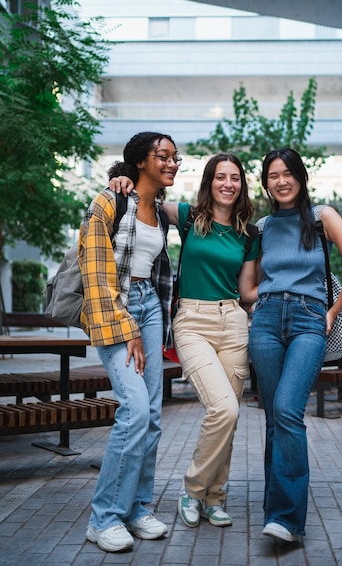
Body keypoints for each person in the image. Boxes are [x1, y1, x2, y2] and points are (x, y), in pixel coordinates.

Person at [110, 153, 259, 529]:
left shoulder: (249, 233)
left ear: (242, 185)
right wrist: (122, 180)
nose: (228, 184)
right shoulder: (190, 217)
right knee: (223, 408)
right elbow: (147, 199)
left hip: (234, 322)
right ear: (210, 181)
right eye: (221, 177)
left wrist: (285, 286)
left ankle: (214, 498)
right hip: (192, 321)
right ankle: (193, 489)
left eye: (235, 178)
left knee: (230, 416)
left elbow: (246, 290)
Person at [242, 148, 342, 543]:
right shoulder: (261, 227)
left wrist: (331, 312)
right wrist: (274, 291)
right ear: (265, 182)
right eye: (272, 176)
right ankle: (275, 512)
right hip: (264, 321)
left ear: (300, 176)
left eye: (287, 173)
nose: (280, 181)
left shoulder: (321, 217)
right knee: (272, 419)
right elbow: (247, 290)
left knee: (286, 410)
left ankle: (288, 520)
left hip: (309, 321)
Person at [79, 131, 181, 553]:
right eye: (164, 156)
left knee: (152, 415)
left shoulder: (159, 210)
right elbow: (97, 278)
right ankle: (103, 518)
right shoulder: (108, 201)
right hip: (112, 309)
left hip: (150, 307)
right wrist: (130, 329)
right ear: (141, 161)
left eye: (176, 157)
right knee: (134, 409)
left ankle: (138, 509)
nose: (173, 163)